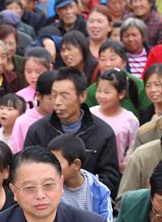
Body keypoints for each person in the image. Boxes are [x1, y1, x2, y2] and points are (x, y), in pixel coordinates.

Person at [23, 67, 120, 198]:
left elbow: (110, 179)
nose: (57, 102)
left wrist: (80, 188)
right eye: (54, 95)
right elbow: (27, 171)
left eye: (64, 96)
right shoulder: (38, 131)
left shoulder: (103, 133)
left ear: (82, 96)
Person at [48, 134, 114, 222]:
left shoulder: (99, 190)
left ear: (76, 164)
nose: (51, 168)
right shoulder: (50, 190)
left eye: (56, 163)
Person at [89, 69, 141, 167]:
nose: (101, 96)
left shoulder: (130, 119)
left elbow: (134, 147)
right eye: (99, 90)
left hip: (116, 169)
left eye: (107, 92)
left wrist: (125, 163)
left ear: (121, 94)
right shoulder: (90, 113)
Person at [9, 70, 56, 154]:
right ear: (38, 96)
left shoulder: (66, 119)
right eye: (52, 98)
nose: (58, 102)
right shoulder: (23, 122)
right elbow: (17, 153)